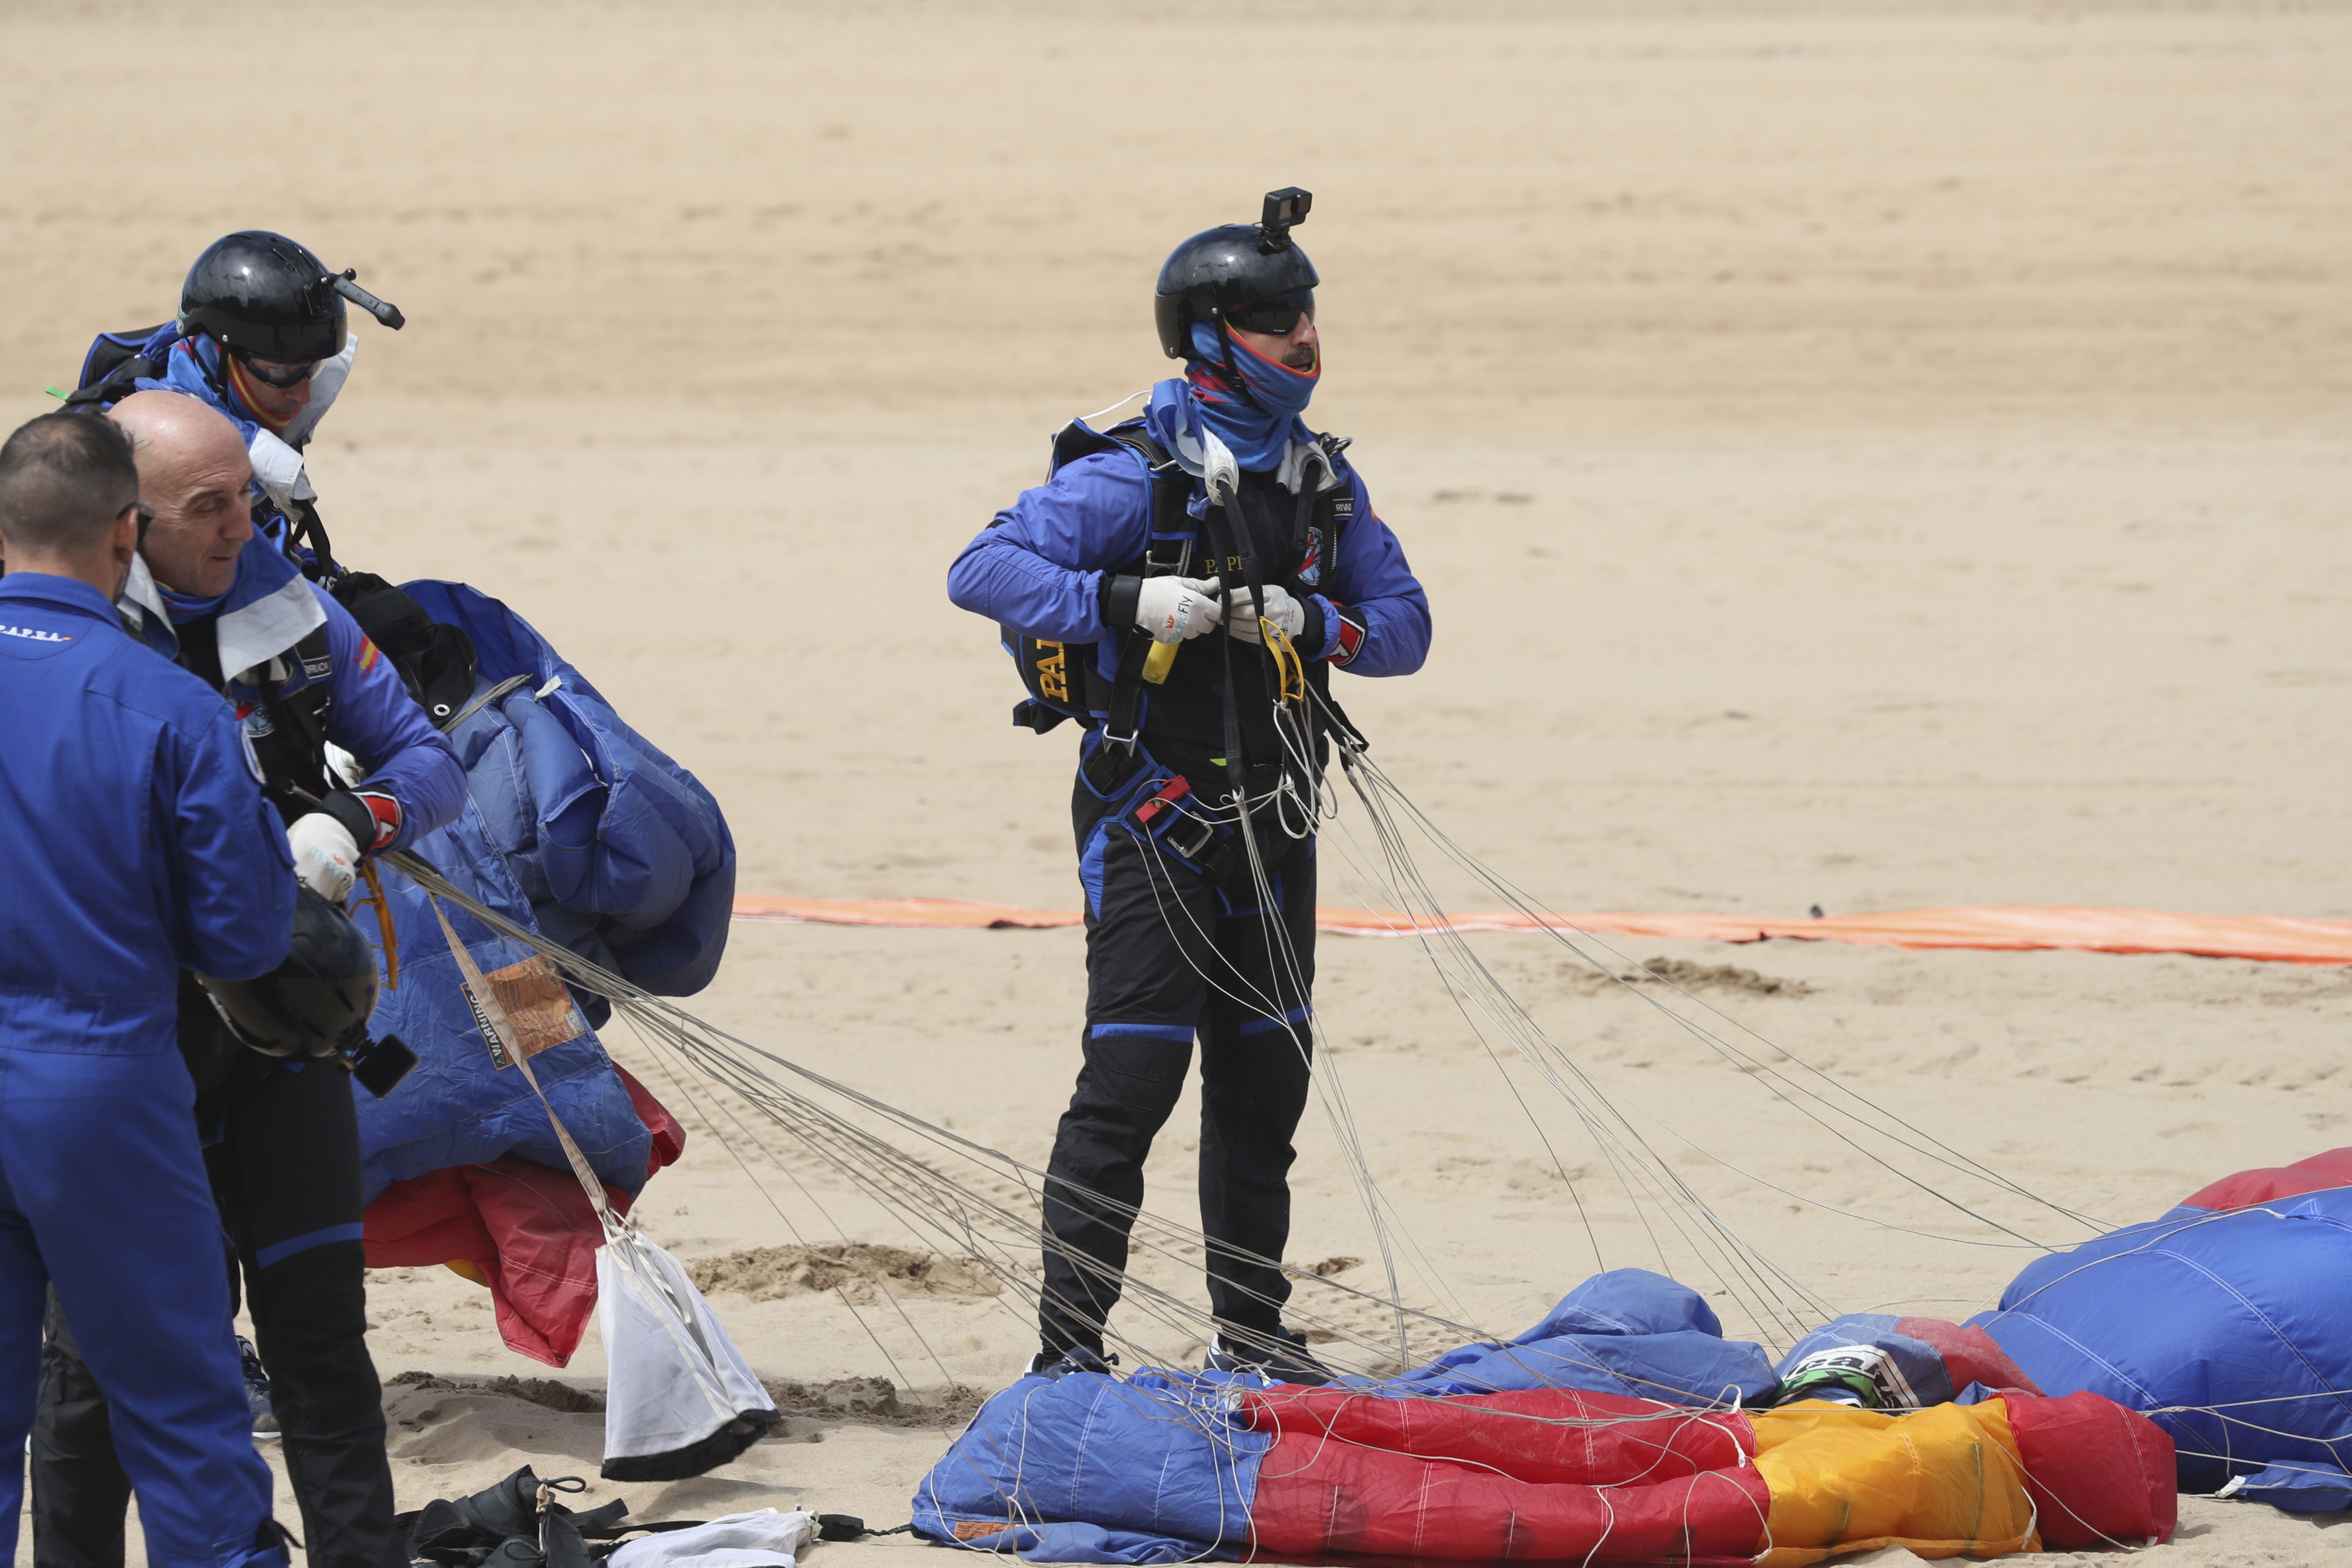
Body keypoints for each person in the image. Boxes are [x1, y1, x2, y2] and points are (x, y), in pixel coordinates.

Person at [946, 190, 1432, 1382]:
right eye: (1274, 317)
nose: (1303, 338)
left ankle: (1256, 1339)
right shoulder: (1135, 479)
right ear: (1213, 336)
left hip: (1276, 825)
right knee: (1134, 1079)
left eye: (1306, 310)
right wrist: (1125, 603)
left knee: (1266, 1085)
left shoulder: (1322, 485)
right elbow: (980, 569)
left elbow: (1408, 627)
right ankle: (1069, 1358)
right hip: (1150, 819)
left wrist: (1312, 620)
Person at [29, 390, 466, 1568]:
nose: (240, 529)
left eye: (249, 500)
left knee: (322, 1340)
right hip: (126, 1053)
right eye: (206, 508)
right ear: (127, 525)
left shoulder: (295, 606)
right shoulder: (74, 644)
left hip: (282, 1039)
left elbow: (431, 761)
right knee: (89, 1376)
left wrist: (353, 825)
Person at [0, 411, 295, 1568]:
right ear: (126, 535)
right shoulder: (165, 706)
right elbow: (245, 934)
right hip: (97, 1086)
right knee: (182, 1411)